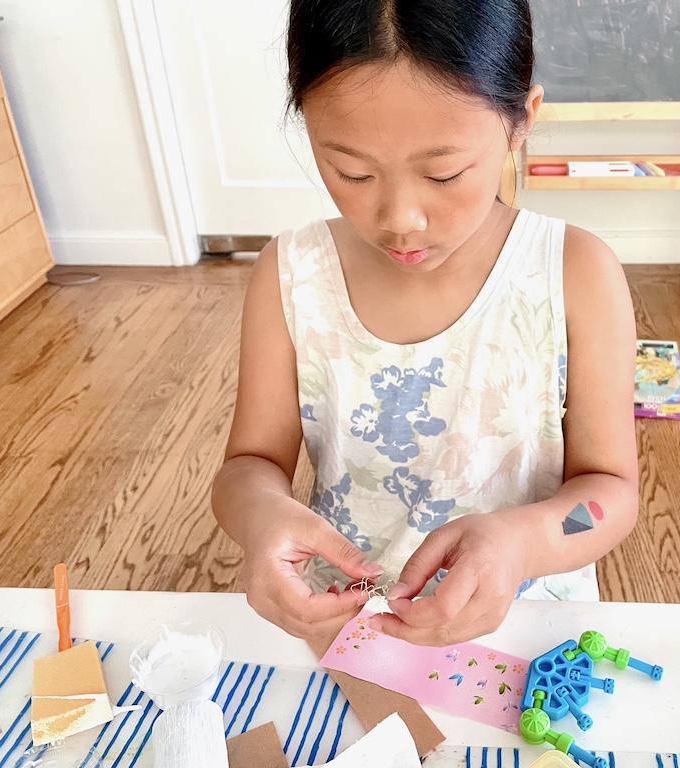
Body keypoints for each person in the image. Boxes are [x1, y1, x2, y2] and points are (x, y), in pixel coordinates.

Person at [211, 0, 639, 648]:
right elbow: (247, 465)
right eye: (351, 171)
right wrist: (261, 516)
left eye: (443, 173)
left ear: (522, 120)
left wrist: (522, 545)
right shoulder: (292, 276)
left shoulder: (577, 274)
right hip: (349, 627)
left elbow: (611, 494)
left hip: (530, 625)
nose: (400, 217)